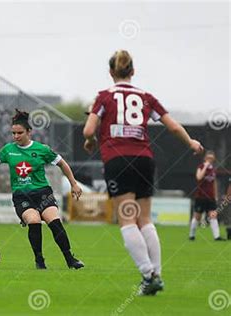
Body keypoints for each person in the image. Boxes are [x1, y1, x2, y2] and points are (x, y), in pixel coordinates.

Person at [83, 50, 204, 295]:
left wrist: (92, 140)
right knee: (145, 219)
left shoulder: (104, 97)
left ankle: (148, 275)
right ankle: (155, 275)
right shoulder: (146, 97)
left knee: (127, 219)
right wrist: (190, 142)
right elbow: (172, 125)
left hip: (118, 160)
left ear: (110, 72)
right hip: (144, 160)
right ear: (133, 71)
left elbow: (88, 130)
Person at [0, 109, 84, 270]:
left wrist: (73, 184)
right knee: (34, 220)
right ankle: (39, 261)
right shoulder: (9, 149)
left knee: (55, 222)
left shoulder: (42, 149)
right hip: (22, 196)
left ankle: (70, 259)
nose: (16, 136)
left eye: (19, 133)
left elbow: (62, 163)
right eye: (13, 133)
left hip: (43, 193)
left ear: (29, 132)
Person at [189, 151, 225, 241]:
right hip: (200, 197)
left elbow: (214, 183)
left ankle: (217, 237)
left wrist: (216, 196)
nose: (210, 160)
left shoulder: (213, 170)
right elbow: (199, 177)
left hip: (210, 197)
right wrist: (205, 166)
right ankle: (191, 235)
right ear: (205, 158)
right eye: (208, 158)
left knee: (213, 215)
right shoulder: (201, 167)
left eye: (211, 158)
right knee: (197, 217)